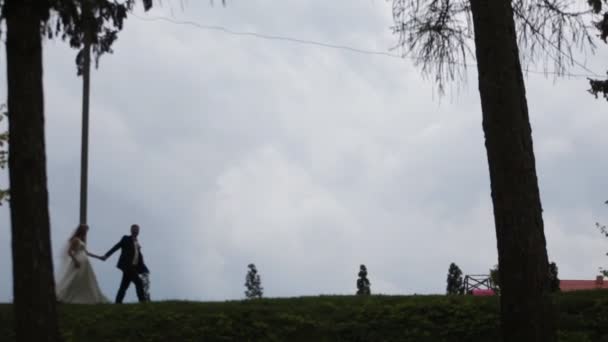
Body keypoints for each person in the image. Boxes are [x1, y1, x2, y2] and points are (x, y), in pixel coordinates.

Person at [55, 224, 109, 303]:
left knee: (84, 280)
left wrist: (99, 257)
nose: (86, 232)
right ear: (81, 230)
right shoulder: (75, 240)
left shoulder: (82, 240)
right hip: (78, 262)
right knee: (73, 278)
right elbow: (69, 252)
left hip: (85, 263)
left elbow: (87, 253)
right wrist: (75, 261)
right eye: (85, 230)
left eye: (87, 230)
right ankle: (63, 296)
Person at [102, 224, 149, 303]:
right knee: (139, 283)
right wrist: (106, 255)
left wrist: (144, 268)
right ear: (131, 230)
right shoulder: (126, 238)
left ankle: (118, 302)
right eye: (134, 229)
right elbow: (116, 247)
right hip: (127, 266)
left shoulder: (137, 243)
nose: (136, 231)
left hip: (134, 267)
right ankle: (142, 302)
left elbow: (139, 257)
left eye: (137, 230)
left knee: (124, 286)